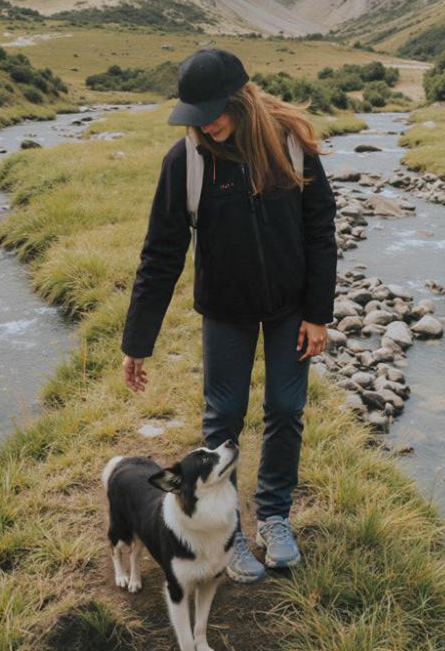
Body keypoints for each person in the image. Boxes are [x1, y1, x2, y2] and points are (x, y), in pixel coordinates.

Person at [120, 48, 337, 582]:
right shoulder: (186, 161)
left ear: (241, 100)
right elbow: (161, 254)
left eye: (213, 112)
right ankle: (231, 532)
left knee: (286, 408)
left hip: (290, 309)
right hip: (225, 312)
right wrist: (137, 342)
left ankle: (274, 517)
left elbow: (320, 231)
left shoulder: (290, 145)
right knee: (225, 422)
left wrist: (317, 313)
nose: (204, 125)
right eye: (195, 115)